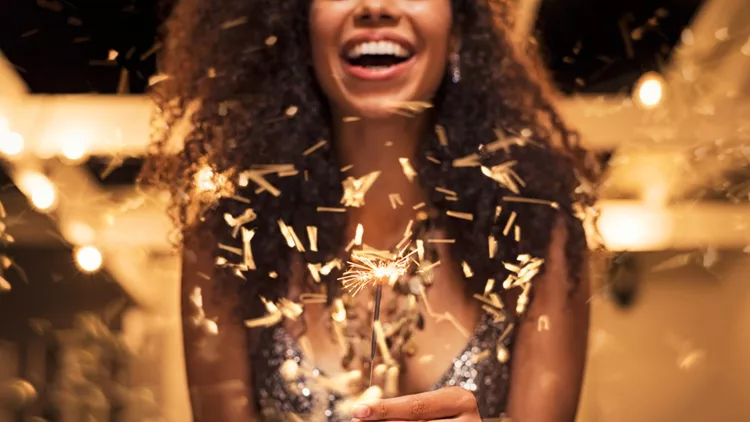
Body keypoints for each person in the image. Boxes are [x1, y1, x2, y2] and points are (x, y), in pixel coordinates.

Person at [141, 0, 596, 421]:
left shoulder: (537, 233)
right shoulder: (227, 236)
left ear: (459, 25)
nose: (376, 6)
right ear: (300, 21)